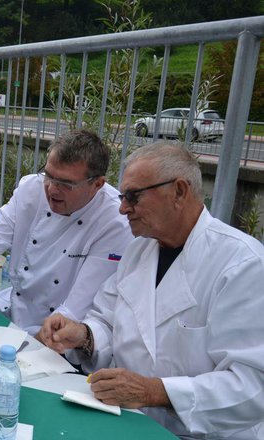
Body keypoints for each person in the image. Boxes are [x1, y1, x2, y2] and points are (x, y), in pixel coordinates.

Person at [38, 142, 264, 439]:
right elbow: (108, 320)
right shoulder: (138, 251)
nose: (122, 208)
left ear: (179, 192)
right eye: (122, 196)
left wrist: (155, 392)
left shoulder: (243, 265)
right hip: (131, 421)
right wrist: (83, 335)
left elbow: (252, 387)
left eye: (133, 196)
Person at [0, 129, 133, 335]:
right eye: (49, 175)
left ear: (97, 184)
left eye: (66, 184)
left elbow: (76, 307)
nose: (52, 189)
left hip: (60, 334)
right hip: (14, 305)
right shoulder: (32, 188)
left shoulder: (114, 222)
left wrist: (29, 351)